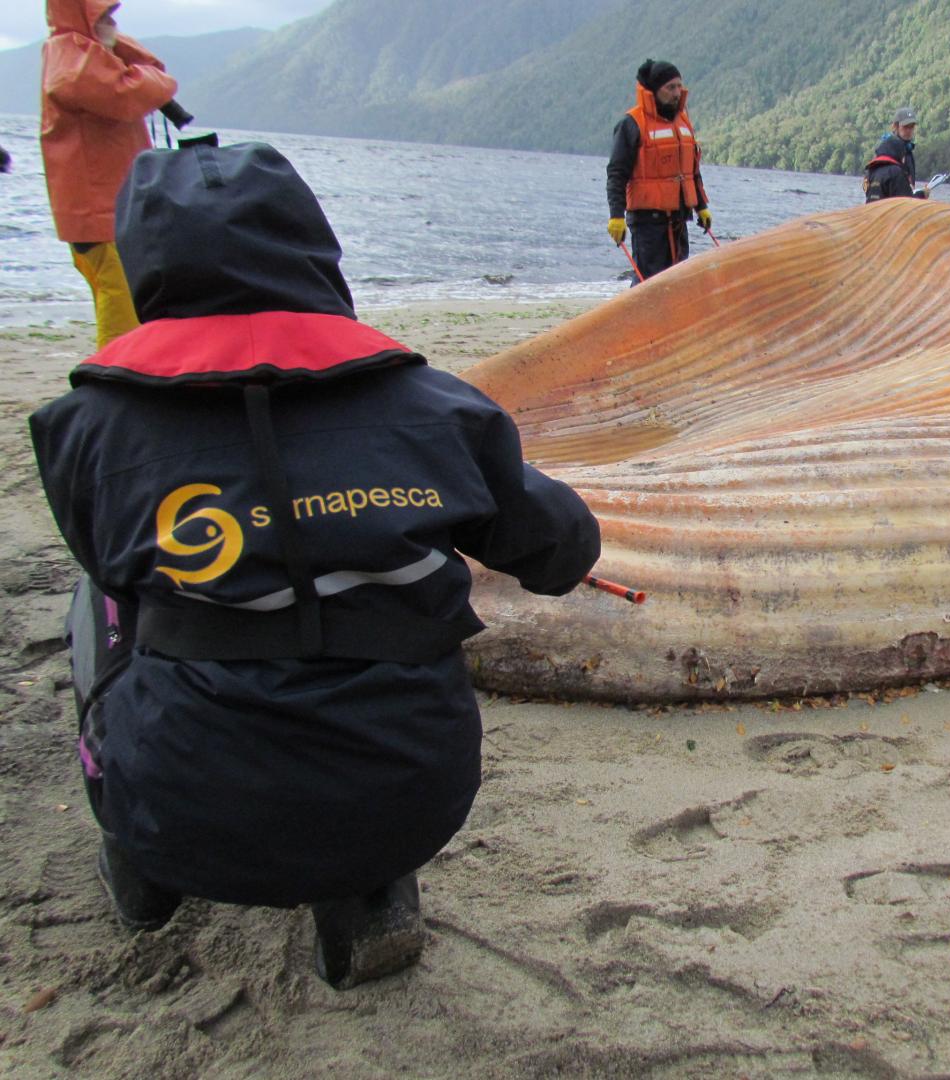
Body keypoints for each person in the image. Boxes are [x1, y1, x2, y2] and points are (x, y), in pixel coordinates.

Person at [29, 138, 603, 989]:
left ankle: (143, 866)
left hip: (183, 809)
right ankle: (372, 897)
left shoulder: (83, 425)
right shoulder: (433, 405)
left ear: (143, 258)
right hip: (411, 800)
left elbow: (112, 566)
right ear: (313, 244)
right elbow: (563, 553)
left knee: (99, 597)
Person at [40, 0, 191, 348]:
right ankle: (113, 389)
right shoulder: (74, 62)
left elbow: (151, 70)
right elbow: (138, 90)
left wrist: (111, 41)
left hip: (107, 211)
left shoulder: (83, 54)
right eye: (102, 15)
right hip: (101, 214)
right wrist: (110, 46)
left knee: (127, 310)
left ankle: (119, 386)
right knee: (122, 321)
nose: (111, 22)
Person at [606, 58, 712, 281]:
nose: (677, 93)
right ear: (654, 90)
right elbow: (617, 173)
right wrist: (616, 215)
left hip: (678, 221)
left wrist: (701, 207)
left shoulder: (683, 123)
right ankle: (638, 316)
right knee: (649, 283)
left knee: (676, 282)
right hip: (647, 223)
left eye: (679, 86)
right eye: (670, 87)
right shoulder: (632, 124)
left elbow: (692, 170)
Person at [864, 106, 931, 202]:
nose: (909, 130)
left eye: (911, 127)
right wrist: (921, 195)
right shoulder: (886, 150)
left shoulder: (908, 150)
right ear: (895, 126)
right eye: (905, 127)